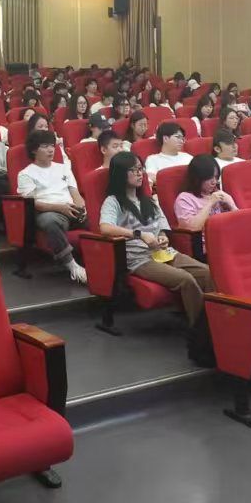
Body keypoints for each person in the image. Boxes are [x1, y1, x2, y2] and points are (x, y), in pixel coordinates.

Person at [96, 153, 214, 339]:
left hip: (164, 252)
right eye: (133, 170)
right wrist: (138, 234)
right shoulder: (113, 201)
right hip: (140, 259)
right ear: (120, 173)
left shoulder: (148, 200)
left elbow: (162, 227)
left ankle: (215, 322)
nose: (139, 173)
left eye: (140, 169)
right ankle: (201, 332)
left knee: (207, 273)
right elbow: (105, 228)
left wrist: (163, 237)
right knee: (185, 279)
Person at [16, 131, 87, 283]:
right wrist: (59, 208)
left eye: (52, 146)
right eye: (45, 146)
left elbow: (75, 192)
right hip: (49, 211)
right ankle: (72, 266)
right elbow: (32, 204)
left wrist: (82, 206)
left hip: (72, 209)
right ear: (34, 150)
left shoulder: (63, 168)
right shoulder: (25, 174)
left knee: (100, 214)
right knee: (50, 221)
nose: (50, 150)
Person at [172, 154, 236, 232]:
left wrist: (231, 205)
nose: (214, 182)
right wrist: (210, 203)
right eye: (209, 177)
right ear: (197, 178)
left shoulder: (218, 195)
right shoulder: (184, 198)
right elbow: (191, 228)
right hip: (204, 238)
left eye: (216, 177)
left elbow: (240, 223)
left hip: (224, 234)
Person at [144, 121, 192, 187]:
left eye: (182, 138)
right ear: (165, 138)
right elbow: (151, 177)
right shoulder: (153, 159)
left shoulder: (188, 157)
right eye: (178, 137)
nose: (181, 141)